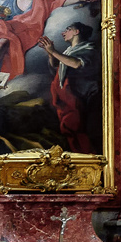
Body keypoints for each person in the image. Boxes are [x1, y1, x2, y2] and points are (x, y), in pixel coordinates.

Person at [38, 22, 98, 153]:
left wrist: (54, 51)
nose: (63, 33)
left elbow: (76, 64)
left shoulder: (88, 49)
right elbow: (56, 66)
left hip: (76, 97)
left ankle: (86, 158)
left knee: (74, 127)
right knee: (66, 129)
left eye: (68, 29)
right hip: (63, 99)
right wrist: (50, 53)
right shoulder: (68, 51)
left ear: (77, 32)